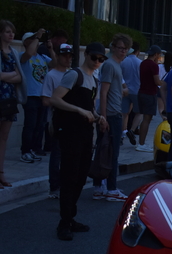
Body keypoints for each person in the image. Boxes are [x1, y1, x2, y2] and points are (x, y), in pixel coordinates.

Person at [50, 42, 107, 240]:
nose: (98, 62)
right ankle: (64, 222)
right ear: (86, 55)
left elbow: (89, 106)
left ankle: (70, 218)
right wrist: (78, 110)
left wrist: (99, 117)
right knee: (69, 176)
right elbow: (55, 99)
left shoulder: (94, 80)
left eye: (101, 59)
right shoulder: (75, 75)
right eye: (95, 58)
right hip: (70, 131)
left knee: (82, 177)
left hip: (85, 132)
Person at [92, 33, 132, 202]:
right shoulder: (110, 65)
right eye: (120, 48)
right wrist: (103, 117)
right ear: (113, 47)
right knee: (111, 153)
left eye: (125, 49)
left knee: (104, 151)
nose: (123, 51)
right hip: (111, 114)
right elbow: (103, 91)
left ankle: (100, 187)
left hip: (113, 112)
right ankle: (111, 188)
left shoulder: (115, 65)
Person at [41, 43, 73, 199]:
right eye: (64, 55)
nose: (68, 59)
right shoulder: (51, 75)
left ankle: (65, 185)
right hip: (57, 119)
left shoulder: (72, 74)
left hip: (71, 119)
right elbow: (46, 100)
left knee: (69, 154)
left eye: (70, 56)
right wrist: (61, 102)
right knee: (57, 153)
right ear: (58, 56)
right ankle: (54, 187)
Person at [20, 29, 57, 162]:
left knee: (39, 125)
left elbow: (55, 64)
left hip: (42, 95)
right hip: (30, 95)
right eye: (32, 39)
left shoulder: (42, 57)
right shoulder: (23, 56)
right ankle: (25, 150)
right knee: (30, 124)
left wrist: (50, 48)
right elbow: (29, 52)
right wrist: (38, 36)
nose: (36, 41)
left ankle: (34, 149)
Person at [0, 19, 26, 188]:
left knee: (4, 138)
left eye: (12, 32)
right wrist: (9, 76)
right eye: (8, 32)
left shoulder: (14, 53)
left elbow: (20, 77)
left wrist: (5, 75)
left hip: (9, 98)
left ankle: (1, 173)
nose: (11, 35)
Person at [136, 45, 163, 153]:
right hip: (150, 94)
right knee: (147, 119)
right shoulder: (153, 65)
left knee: (144, 118)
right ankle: (141, 143)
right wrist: (164, 84)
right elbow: (157, 81)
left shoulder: (143, 63)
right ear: (156, 54)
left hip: (141, 92)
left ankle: (141, 142)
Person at [120, 41, 142, 146]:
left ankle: (122, 134)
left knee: (124, 114)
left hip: (125, 90)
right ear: (137, 51)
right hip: (137, 90)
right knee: (139, 112)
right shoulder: (140, 62)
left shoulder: (123, 62)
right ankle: (132, 130)